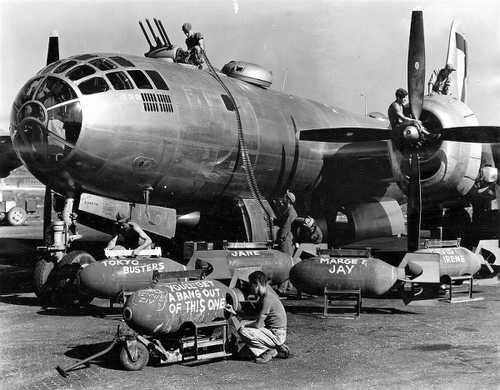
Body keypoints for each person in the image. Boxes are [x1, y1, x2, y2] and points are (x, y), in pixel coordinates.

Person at [228, 271, 290, 364]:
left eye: (251, 285)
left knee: (243, 330)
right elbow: (255, 314)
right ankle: (276, 346)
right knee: (243, 354)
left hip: (276, 334)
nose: (250, 288)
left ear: (257, 284)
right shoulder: (265, 295)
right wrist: (235, 312)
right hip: (273, 331)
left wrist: (243, 324)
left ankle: (269, 351)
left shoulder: (267, 299)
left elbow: (258, 324)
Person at [275, 190, 298, 257]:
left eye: (285, 197)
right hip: (285, 238)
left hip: (286, 240)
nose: (283, 199)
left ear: (288, 200)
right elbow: (282, 222)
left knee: (286, 258)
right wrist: (274, 220)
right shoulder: (287, 210)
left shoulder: (291, 212)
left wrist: (281, 238)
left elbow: (286, 226)